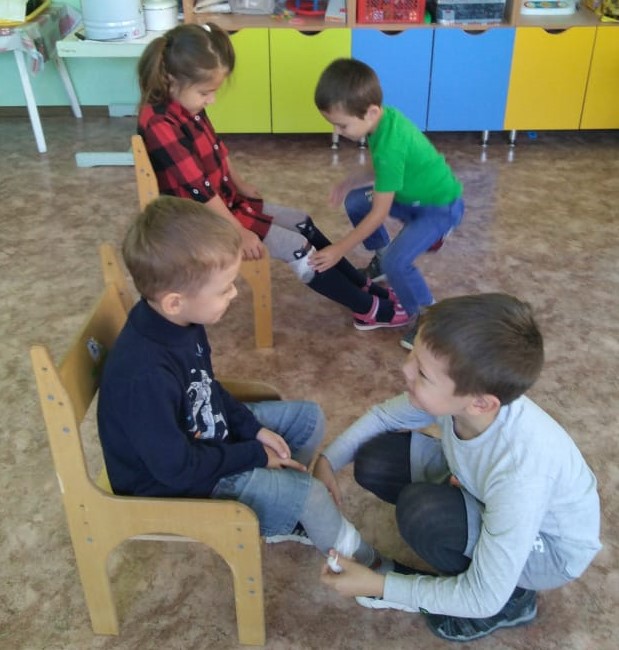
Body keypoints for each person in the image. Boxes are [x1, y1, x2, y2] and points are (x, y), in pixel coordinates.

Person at [97, 196, 390, 573]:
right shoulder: (144, 375)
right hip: (171, 484)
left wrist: (253, 431)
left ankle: (277, 508)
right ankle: (368, 570)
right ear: (174, 302)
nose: (235, 293)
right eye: (224, 289)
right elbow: (176, 469)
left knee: (308, 419)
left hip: (201, 442)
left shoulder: (180, 320)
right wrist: (255, 454)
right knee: (310, 495)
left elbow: (205, 387)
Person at [314, 293, 601, 642]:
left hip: (550, 550)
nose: (405, 369)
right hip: (488, 491)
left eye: (422, 373)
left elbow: (483, 596)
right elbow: (384, 417)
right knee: (374, 460)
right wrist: (327, 460)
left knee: (424, 513)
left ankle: (514, 602)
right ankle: (466, 525)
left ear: (480, 403)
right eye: (413, 353)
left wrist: (380, 585)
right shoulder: (465, 399)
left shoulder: (521, 473)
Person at [135, 24, 407, 331]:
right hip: (202, 223)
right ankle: (368, 310)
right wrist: (239, 232)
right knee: (297, 248)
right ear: (173, 79)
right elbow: (199, 191)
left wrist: (239, 184)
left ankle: (362, 286)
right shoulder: (159, 124)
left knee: (303, 221)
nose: (211, 100)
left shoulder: (186, 102)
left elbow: (217, 149)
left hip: (226, 204)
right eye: (205, 93)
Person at [314, 58, 465, 349]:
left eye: (342, 125)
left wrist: (338, 250)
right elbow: (381, 169)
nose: (338, 132)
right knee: (356, 200)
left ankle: (427, 317)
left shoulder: (390, 144)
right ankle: (382, 259)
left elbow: (378, 213)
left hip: (438, 208)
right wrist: (349, 181)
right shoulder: (382, 122)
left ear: (371, 112)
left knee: (398, 261)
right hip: (409, 198)